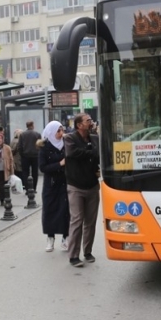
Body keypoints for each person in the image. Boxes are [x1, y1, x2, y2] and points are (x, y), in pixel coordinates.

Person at [63, 113, 100, 267]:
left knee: (90, 222)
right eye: (87, 120)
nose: (90, 122)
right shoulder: (70, 138)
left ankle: (88, 251)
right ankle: (73, 256)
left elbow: (100, 155)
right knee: (77, 220)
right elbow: (73, 153)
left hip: (92, 185)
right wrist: (91, 153)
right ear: (79, 125)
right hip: (76, 186)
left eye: (91, 120)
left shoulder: (95, 138)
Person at [38, 121, 69, 252]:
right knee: (50, 210)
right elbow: (42, 167)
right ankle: (50, 238)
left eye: (62, 130)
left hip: (65, 182)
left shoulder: (66, 144)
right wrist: (60, 164)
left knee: (65, 211)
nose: (61, 133)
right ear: (51, 132)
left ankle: (65, 237)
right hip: (51, 184)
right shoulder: (44, 147)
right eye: (58, 131)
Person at [19, 120, 41, 191]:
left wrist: (22, 154)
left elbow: (20, 147)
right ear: (32, 125)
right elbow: (40, 145)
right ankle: (34, 188)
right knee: (35, 172)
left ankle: (27, 188)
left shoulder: (22, 135)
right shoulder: (37, 134)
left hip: (25, 156)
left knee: (25, 172)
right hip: (35, 156)